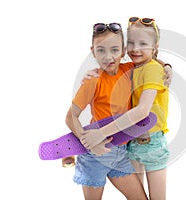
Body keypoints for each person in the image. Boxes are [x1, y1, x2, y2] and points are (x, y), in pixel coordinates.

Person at [80, 17, 170, 200]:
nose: (135, 48)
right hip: (131, 140)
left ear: (155, 47)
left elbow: (142, 111)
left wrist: (101, 133)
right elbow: (109, 69)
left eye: (143, 43)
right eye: (131, 43)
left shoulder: (152, 69)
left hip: (152, 141)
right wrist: (91, 74)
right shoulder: (132, 68)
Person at [65, 22, 148, 200]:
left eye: (114, 50)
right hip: (94, 156)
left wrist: (167, 67)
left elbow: (151, 63)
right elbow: (70, 117)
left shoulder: (130, 70)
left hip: (120, 153)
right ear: (93, 51)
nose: (107, 56)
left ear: (123, 51)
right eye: (101, 50)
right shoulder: (93, 80)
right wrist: (89, 142)